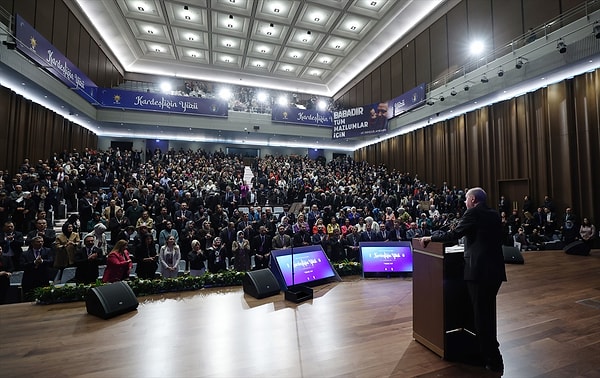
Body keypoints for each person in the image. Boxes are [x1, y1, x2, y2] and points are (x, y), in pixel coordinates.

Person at [420, 187, 506, 373]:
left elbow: (454, 235)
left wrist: (430, 237)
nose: (465, 202)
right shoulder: (493, 214)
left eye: (466, 199)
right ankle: (490, 351)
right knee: (487, 313)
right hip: (495, 272)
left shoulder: (473, 212)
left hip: (478, 272)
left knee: (482, 317)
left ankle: (493, 360)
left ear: (473, 199)